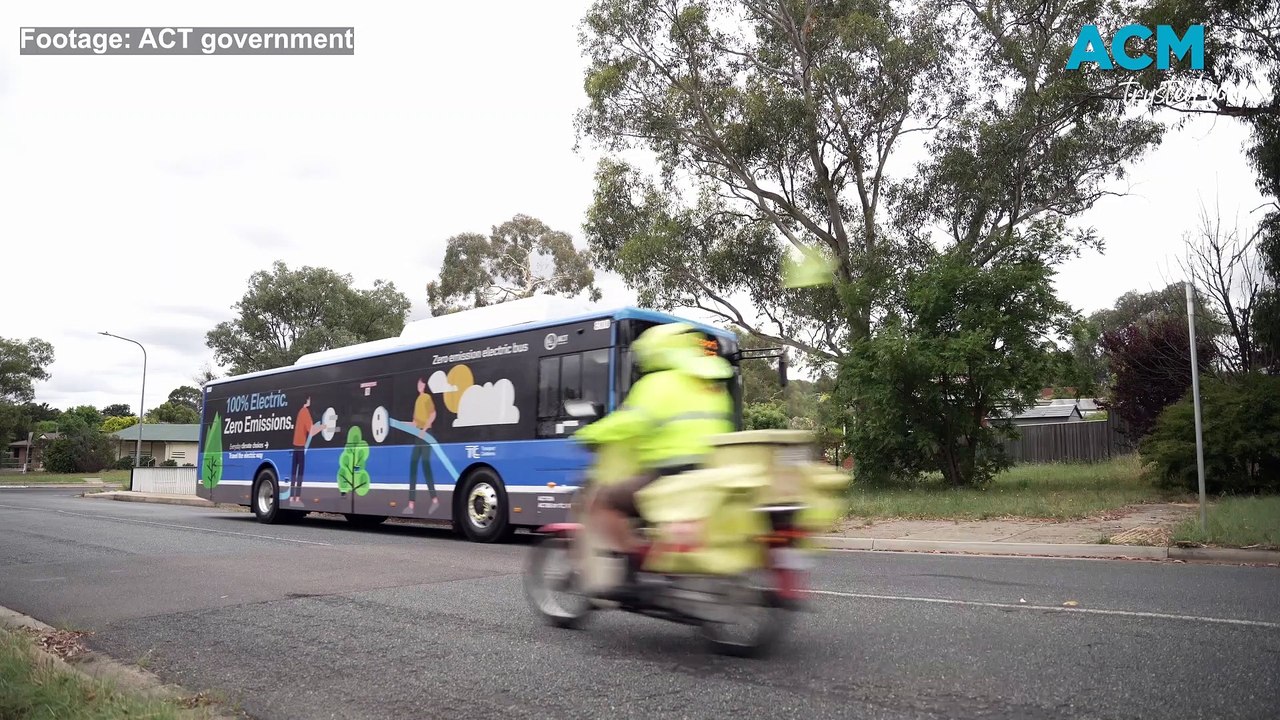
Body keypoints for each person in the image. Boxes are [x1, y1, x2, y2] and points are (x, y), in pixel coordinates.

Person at [573, 322, 735, 600]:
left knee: (605, 500)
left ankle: (633, 565)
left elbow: (631, 422)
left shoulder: (657, 383)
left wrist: (588, 433)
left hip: (669, 474)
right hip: (708, 475)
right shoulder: (713, 386)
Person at [406, 377, 440, 515]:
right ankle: (411, 504)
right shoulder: (417, 400)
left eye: (421, 383)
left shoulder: (426, 398)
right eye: (418, 382)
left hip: (426, 435)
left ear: (424, 385)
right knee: (413, 465)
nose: (419, 385)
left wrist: (424, 430)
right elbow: (414, 422)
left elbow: (433, 414)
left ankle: (435, 500)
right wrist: (400, 424)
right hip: (417, 435)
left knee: (426, 466)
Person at [290, 396, 328, 505]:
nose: (310, 401)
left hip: (295, 445)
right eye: (309, 399)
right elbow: (311, 431)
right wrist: (323, 427)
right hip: (300, 446)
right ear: (306, 400)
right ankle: (296, 498)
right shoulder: (305, 412)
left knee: (294, 473)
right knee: (300, 473)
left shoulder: (300, 411)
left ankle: (292, 497)